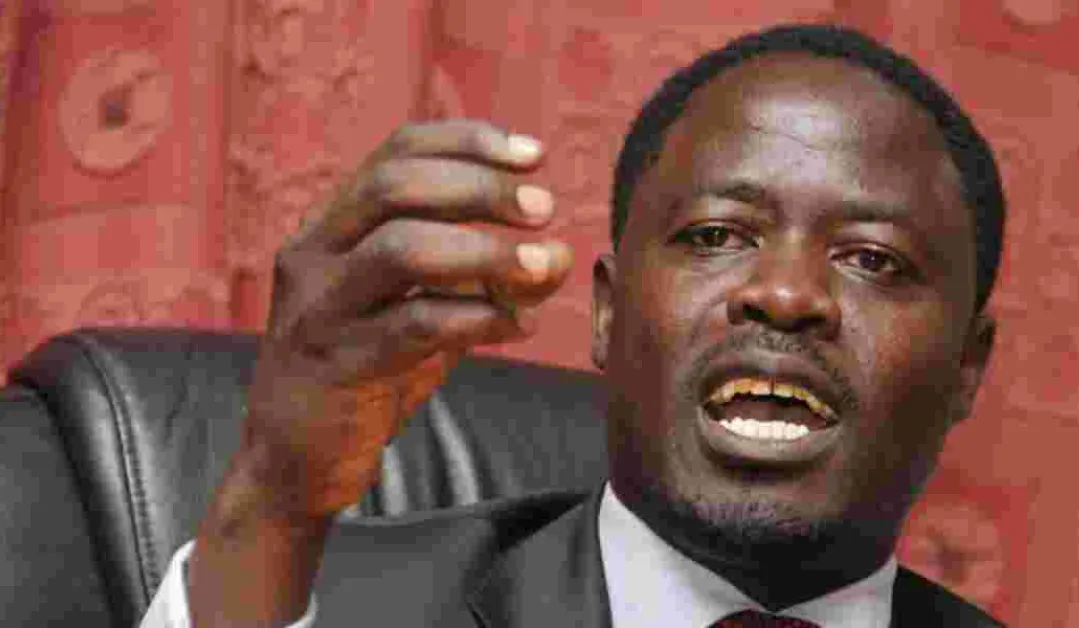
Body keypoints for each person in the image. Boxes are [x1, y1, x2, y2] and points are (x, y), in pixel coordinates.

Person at [141, 22, 1006, 628]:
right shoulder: (328, 606)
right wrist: (271, 496)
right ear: (606, 312)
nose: (784, 295)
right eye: (716, 235)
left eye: (872, 259)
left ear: (968, 367)